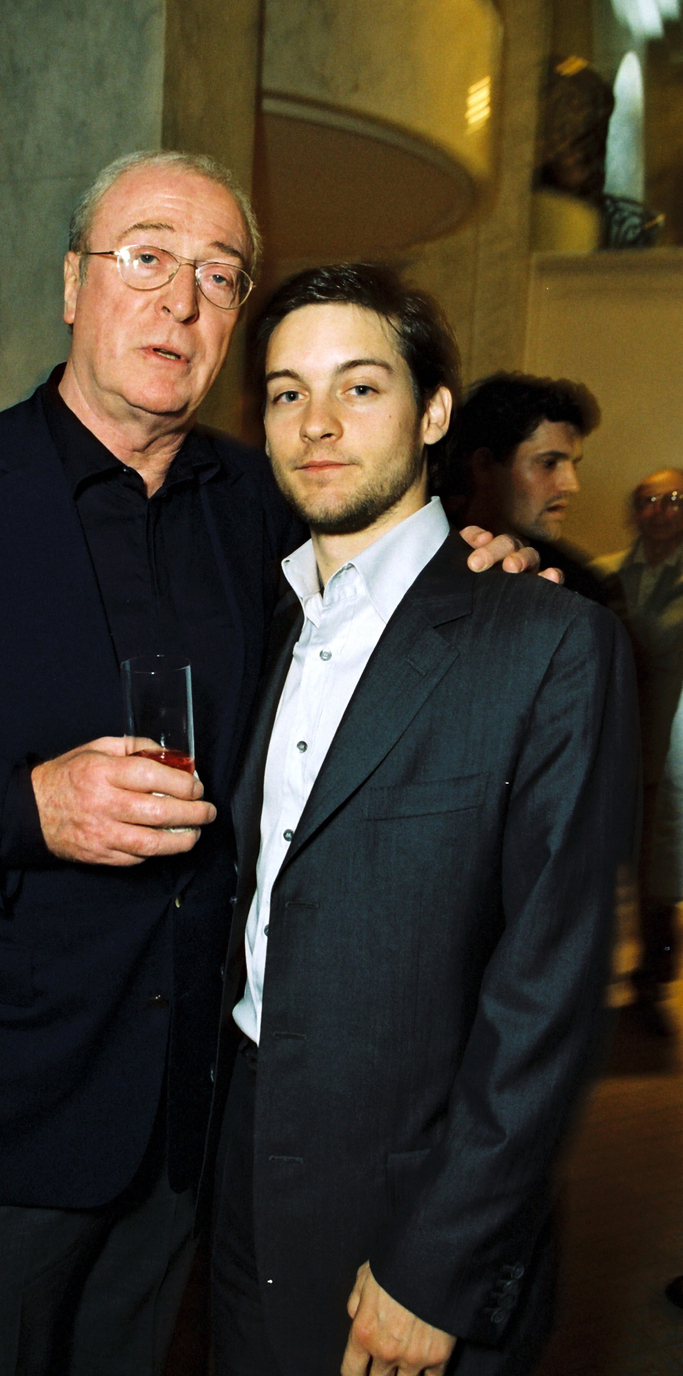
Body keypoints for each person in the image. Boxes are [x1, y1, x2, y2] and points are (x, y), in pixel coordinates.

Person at [0, 151, 544, 1376]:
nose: (180, 300)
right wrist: (25, 806)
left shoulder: (266, 499)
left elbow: (387, 578)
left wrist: (472, 564)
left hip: (194, 1101)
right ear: (74, 285)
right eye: (146, 258)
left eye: (219, 275)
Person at [210, 264, 638, 1376]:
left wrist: (437, 1266)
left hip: (410, 1203)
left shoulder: (545, 644)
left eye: (359, 388)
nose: (315, 425)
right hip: (245, 1161)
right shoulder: (263, 621)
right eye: (285, 392)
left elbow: (546, 997)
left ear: (433, 412)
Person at [594, 468, 683, 1031]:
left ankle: (653, 982)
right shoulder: (606, 575)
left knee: (658, 872)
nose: (660, 509)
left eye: (673, 498)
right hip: (617, 739)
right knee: (613, 865)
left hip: (671, 744)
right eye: (648, 500)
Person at [449, 371, 605, 601]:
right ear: (484, 466)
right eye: (548, 463)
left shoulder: (580, 588)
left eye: (574, 465)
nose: (572, 485)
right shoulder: (420, 553)